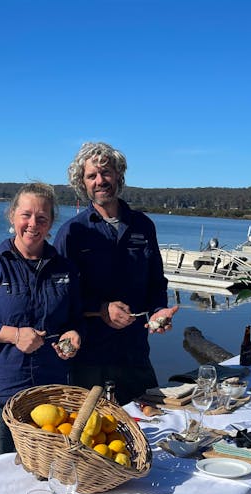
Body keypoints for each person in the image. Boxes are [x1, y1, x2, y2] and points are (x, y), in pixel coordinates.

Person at [0, 182, 83, 467]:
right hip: (1, 388)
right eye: (26, 215)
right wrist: (14, 335)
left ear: (51, 223)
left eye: (42, 218)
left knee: (45, 464)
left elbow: (76, 319)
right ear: (12, 216)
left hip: (50, 388)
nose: (33, 224)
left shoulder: (65, 269)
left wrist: (75, 334)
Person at [54, 142, 178, 404]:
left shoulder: (143, 226)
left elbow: (156, 281)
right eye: (92, 176)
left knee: (148, 424)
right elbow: (61, 295)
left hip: (134, 353)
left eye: (106, 172)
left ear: (119, 175)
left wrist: (158, 310)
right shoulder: (73, 232)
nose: (100, 181)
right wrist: (101, 309)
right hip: (89, 356)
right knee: (90, 434)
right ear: (83, 183)